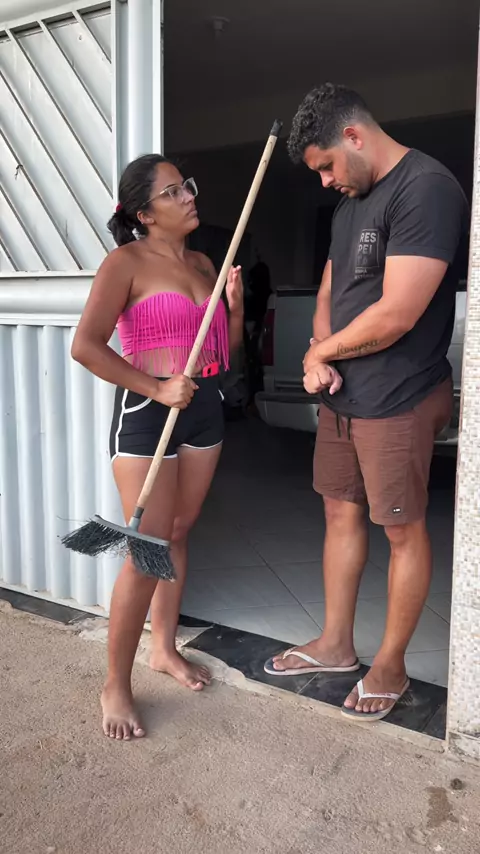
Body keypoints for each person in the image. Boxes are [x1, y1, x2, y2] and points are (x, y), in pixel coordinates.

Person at [264, 83, 469, 721]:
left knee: (402, 530)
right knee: (339, 513)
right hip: (344, 396)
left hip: (399, 396)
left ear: (354, 136)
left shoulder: (426, 188)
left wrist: (322, 354)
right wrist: (319, 348)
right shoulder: (350, 202)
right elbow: (332, 286)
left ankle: (391, 664)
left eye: (327, 165)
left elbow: (399, 312)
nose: (326, 181)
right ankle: (335, 644)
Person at [71, 154, 243, 739]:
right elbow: (86, 345)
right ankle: (115, 684)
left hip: (205, 409)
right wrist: (157, 388)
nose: (189, 196)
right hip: (148, 415)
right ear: (144, 213)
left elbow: (223, 351)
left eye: (186, 186)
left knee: (178, 533)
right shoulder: (125, 262)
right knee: (147, 550)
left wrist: (236, 308)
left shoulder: (203, 263)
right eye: (173, 192)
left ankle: (163, 649)